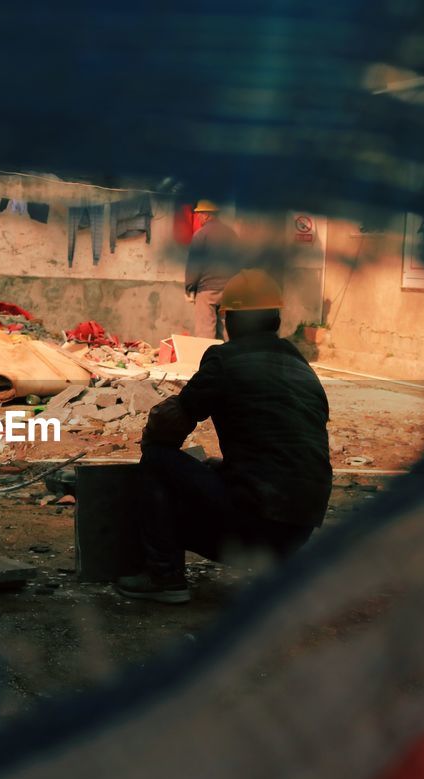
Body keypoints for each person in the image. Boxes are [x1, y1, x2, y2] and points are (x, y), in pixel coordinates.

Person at [117, 269, 332, 604]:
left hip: (254, 526)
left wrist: (167, 465)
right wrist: (224, 469)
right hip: (298, 530)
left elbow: (169, 423)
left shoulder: (225, 359)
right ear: (276, 318)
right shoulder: (300, 365)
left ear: (229, 320)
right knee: (212, 471)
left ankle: (164, 577)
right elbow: (283, 446)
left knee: (157, 459)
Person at [184, 200, 243, 339]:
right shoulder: (231, 234)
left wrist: (189, 288)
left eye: (199, 214)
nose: (198, 217)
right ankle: (230, 358)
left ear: (206, 215)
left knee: (205, 331)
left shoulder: (201, 234)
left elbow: (194, 265)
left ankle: (208, 359)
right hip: (229, 290)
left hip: (207, 291)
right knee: (227, 329)